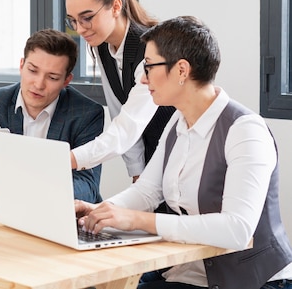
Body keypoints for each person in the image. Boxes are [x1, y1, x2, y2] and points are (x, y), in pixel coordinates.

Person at [76, 16, 292, 289]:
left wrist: (139, 220)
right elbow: (147, 191)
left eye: (149, 66)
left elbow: (237, 229)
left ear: (181, 70)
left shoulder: (245, 131)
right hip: (188, 272)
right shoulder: (177, 124)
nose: (142, 78)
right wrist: (99, 212)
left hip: (254, 282)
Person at [0, 28, 105, 202]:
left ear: (66, 81)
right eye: (33, 71)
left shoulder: (86, 113)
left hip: (58, 215)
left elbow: (88, 187)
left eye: (52, 77)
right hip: (3, 215)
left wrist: (32, 190)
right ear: (21, 65)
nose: (39, 84)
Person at [65, 0, 175, 180]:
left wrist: (67, 159)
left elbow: (128, 127)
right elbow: (119, 111)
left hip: (175, 152)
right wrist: (136, 172)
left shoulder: (150, 49)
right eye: (72, 21)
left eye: (87, 18)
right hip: (149, 158)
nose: (79, 29)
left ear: (115, 7)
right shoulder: (102, 46)